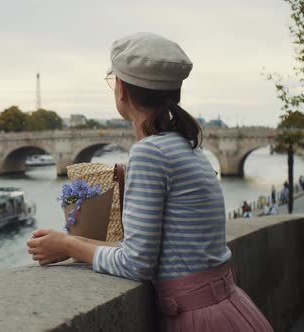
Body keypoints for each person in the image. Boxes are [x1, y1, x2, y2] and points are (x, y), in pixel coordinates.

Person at [26, 32, 272, 331]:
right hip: (226, 306)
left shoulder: (149, 152)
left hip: (196, 318)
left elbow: (135, 264)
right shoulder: (186, 147)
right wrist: (74, 245)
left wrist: (68, 242)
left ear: (121, 91)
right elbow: (150, 248)